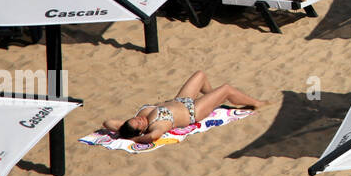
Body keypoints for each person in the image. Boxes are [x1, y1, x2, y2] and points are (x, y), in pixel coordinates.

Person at [101, 70, 266, 144]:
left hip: (182, 100)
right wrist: (135, 139)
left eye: (135, 119)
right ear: (140, 131)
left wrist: (124, 130)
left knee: (200, 74)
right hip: (193, 111)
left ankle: (214, 98)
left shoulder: (135, 122)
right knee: (226, 89)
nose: (139, 119)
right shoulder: (157, 126)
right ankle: (256, 104)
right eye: (139, 124)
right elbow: (152, 138)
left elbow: (107, 123)